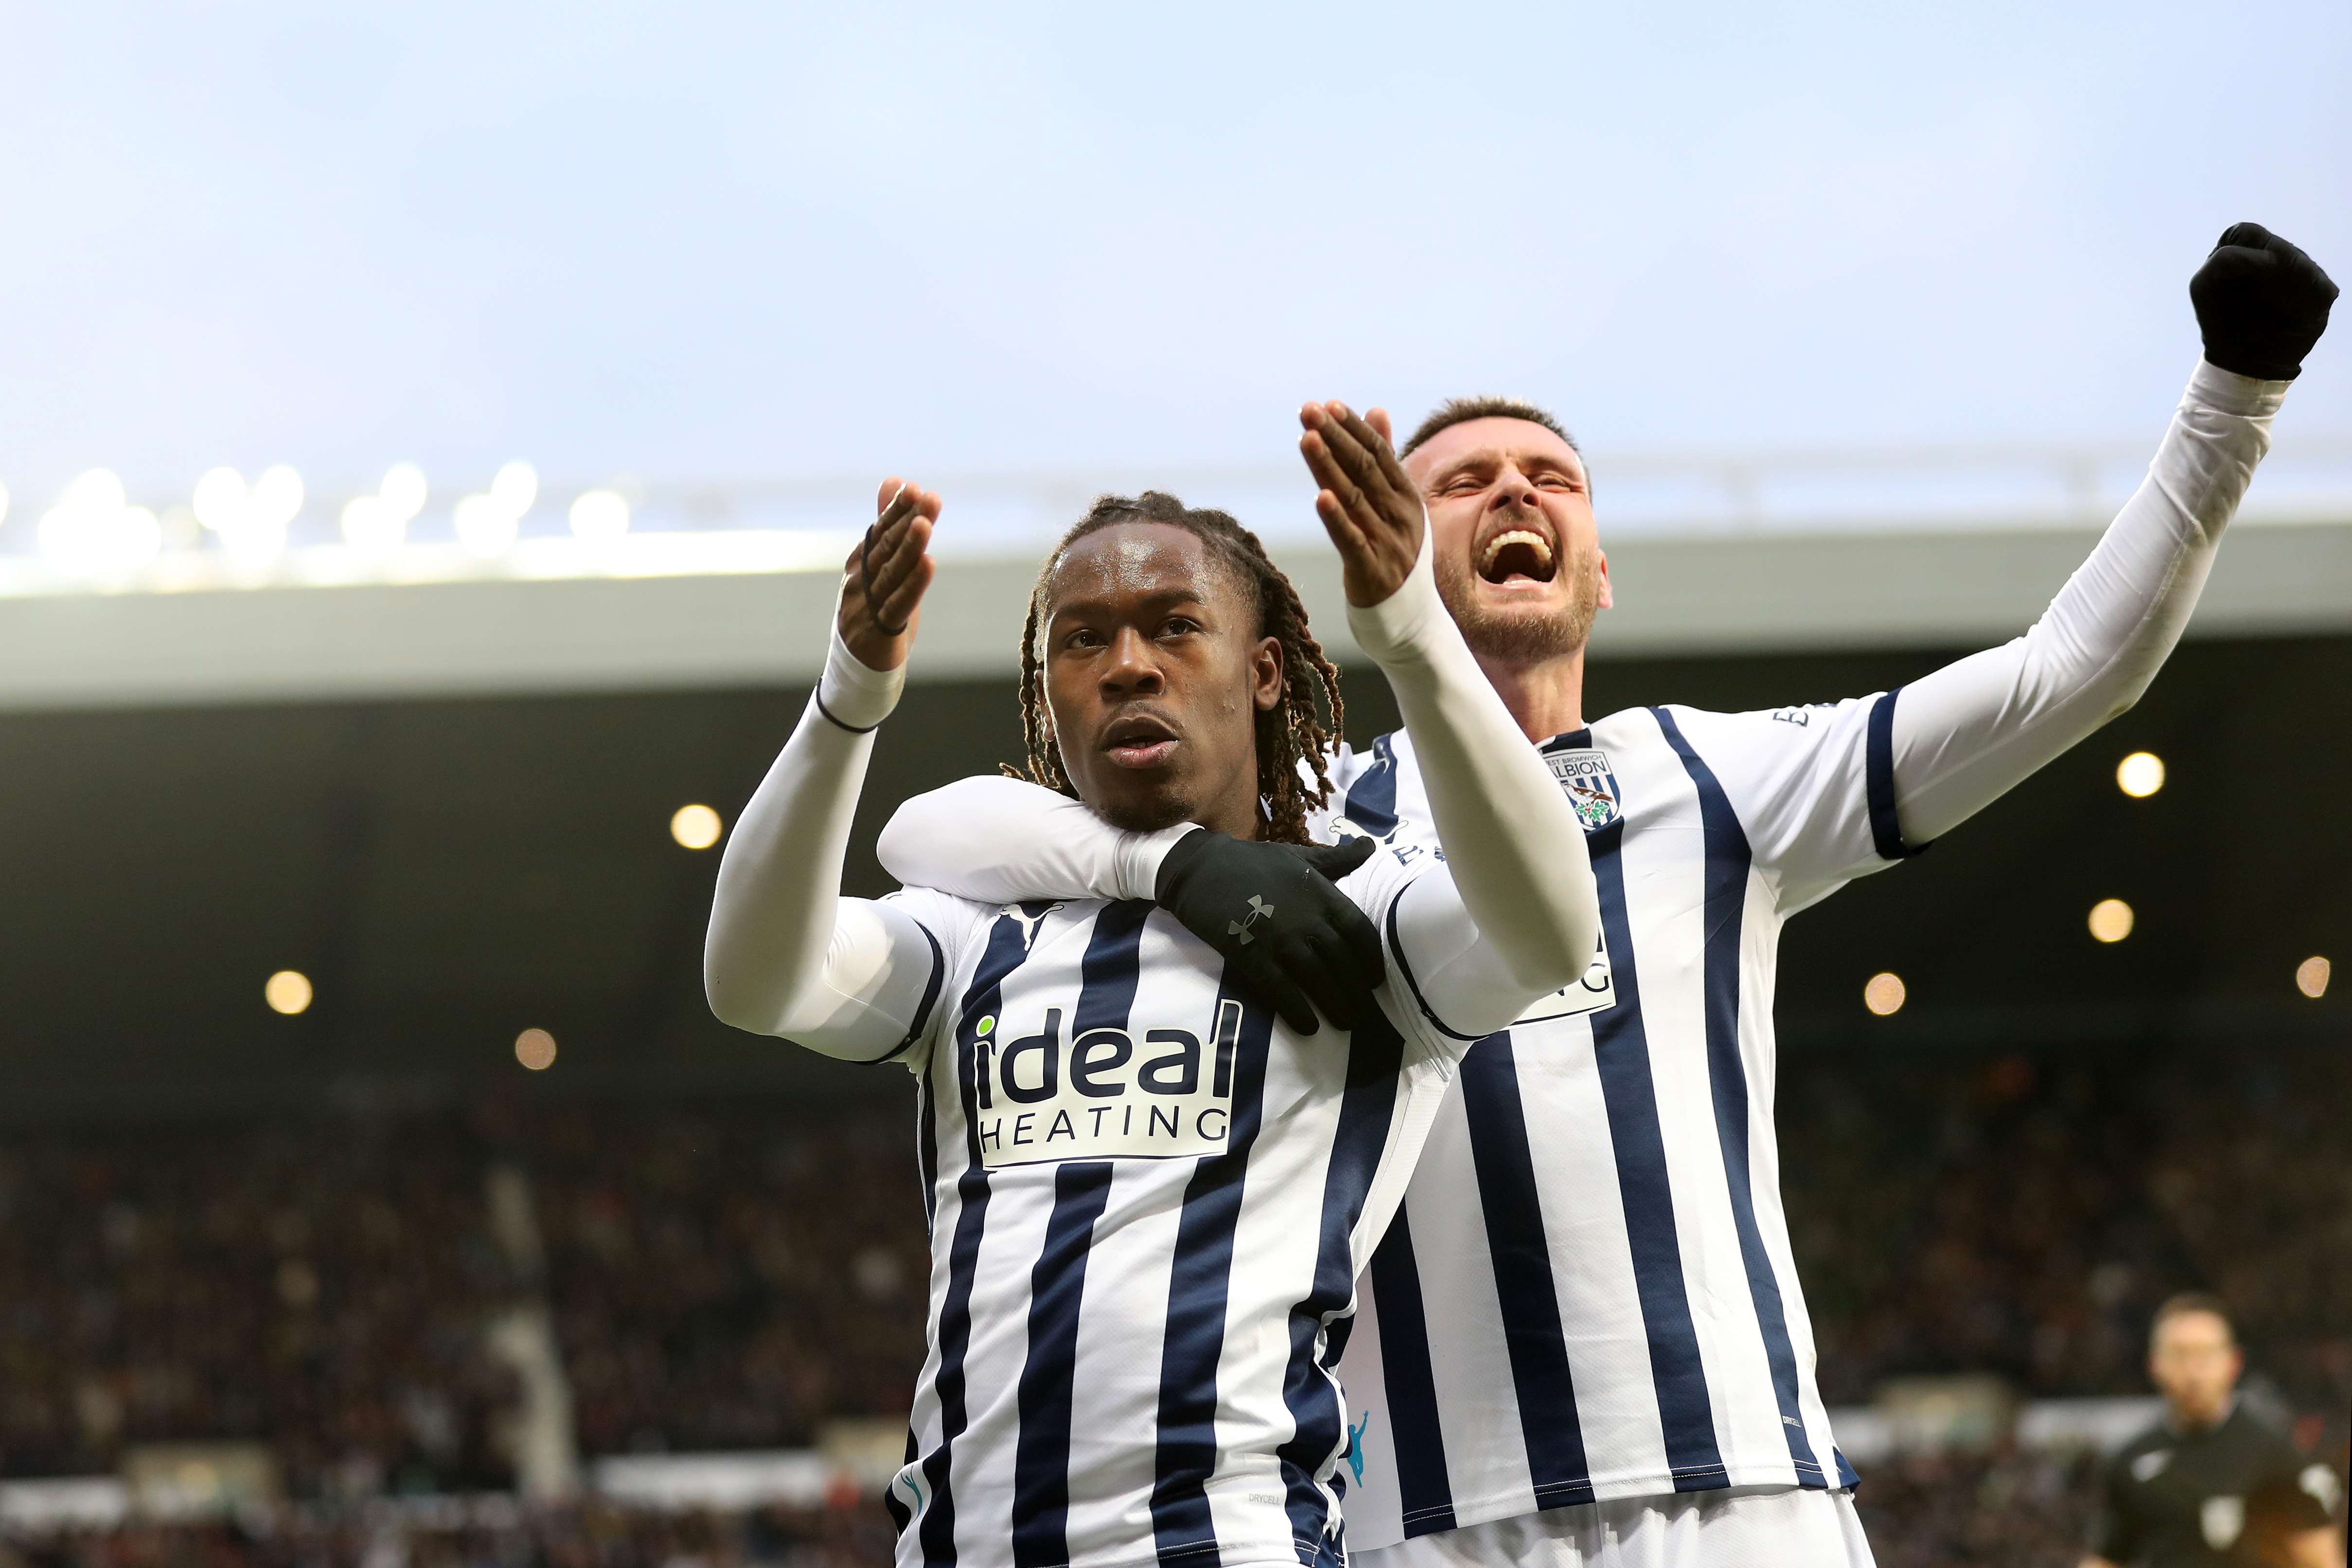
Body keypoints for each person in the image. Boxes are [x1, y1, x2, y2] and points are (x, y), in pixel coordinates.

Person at [874, 224, 2339, 1567]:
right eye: (1459, 480)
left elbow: (2064, 672)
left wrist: (2232, 397)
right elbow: (946, 829)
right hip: (1427, 1520)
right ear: (1386, 547)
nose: (1512, 489)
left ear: (1598, 575)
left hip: (1747, 1497)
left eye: (1550, 478)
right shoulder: (1309, 819)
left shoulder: (1716, 777)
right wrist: (1163, 860)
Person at [703, 405, 1603, 1568]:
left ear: (1266, 669)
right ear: (1048, 694)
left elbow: (1547, 931)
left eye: (1175, 625)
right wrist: (850, 694)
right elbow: (753, 977)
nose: (1128, 663)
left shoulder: (1354, 915)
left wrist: (1412, 630)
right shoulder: (977, 937)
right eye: (1083, 640)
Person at [2084, 1294, 2343, 1568]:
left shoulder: (2276, 1452)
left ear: (2234, 1362)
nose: (2194, 1372)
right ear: (2154, 1364)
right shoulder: (2131, 1460)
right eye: (2180, 1354)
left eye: (2206, 1354)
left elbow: (2322, 1562)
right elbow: (2108, 1560)